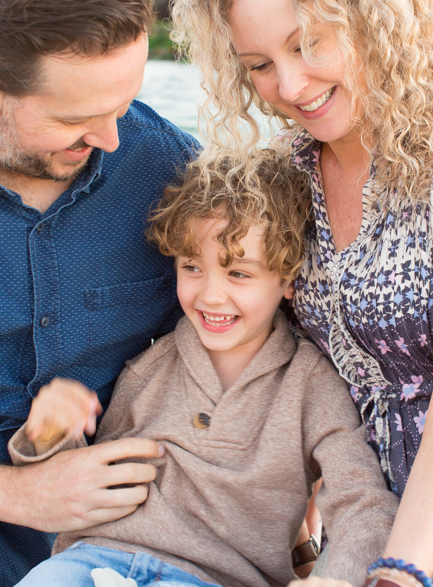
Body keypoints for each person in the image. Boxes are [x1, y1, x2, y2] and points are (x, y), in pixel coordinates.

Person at [8, 151, 397, 587]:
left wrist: (340, 579)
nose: (211, 295)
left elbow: (361, 504)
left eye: (239, 274)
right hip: (95, 561)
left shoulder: (312, 386)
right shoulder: (151, 365)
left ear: (289, 278)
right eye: (192, 267)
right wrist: (50, 434)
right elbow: (91, 482)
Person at [172, 0, 433, 581]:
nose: (289, 86)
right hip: (355, 527)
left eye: (308, 42)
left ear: (372, 16)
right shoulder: (290, 177)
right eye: (258, 64)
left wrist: (404, 566)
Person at [0, 0, 199, 584]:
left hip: (120, 556)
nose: (112, 138)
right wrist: (18, 495)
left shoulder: (170, 170)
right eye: (79, 117)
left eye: (122, 103)